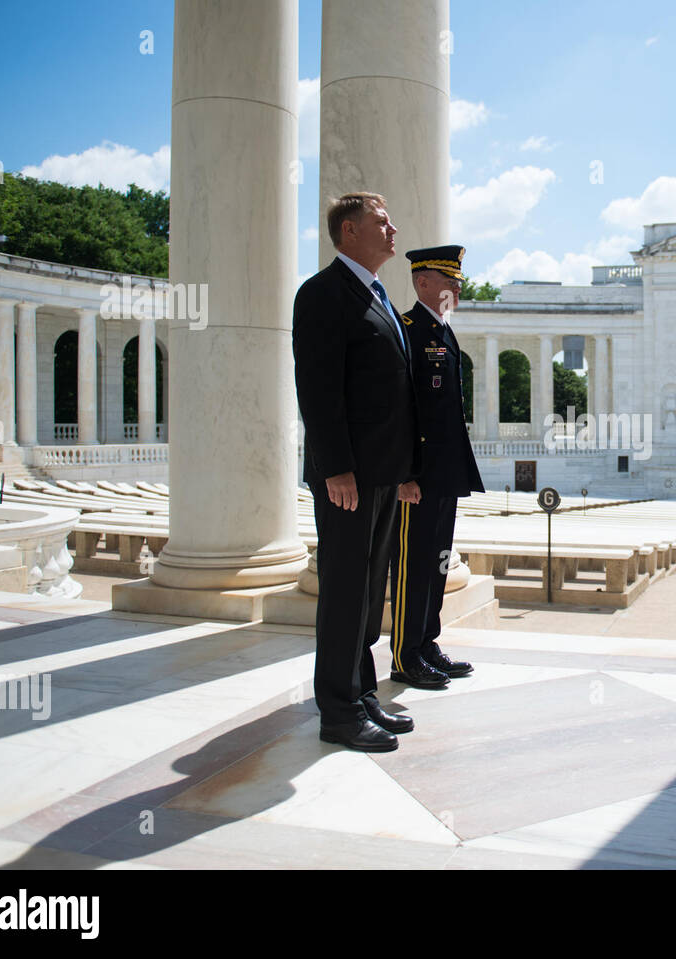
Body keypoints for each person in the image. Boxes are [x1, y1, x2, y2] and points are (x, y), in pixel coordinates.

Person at [292, 192, 423, 752]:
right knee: (345, 592)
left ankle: (362, 691)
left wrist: (404, 471)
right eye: (381, 222)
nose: (393, 231)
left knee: (370, 593)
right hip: (348, 478)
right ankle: (338, 712)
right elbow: (318, 392)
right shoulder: (323, 294)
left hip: (381, 474)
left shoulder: (376, 294)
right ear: (349, 231)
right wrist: (336, 469)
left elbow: (392, 393)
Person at [387, 245, 485, 688]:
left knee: (437, 563)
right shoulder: (407, 329)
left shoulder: (443, 331)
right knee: (413, 565)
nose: (456, 291)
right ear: (421, 282)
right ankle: (405, 657)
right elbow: (398, 409)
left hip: (444, 471)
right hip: (419, 476)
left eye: (458, 284)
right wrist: (405, 473)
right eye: (449, 282)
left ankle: (427, 644)